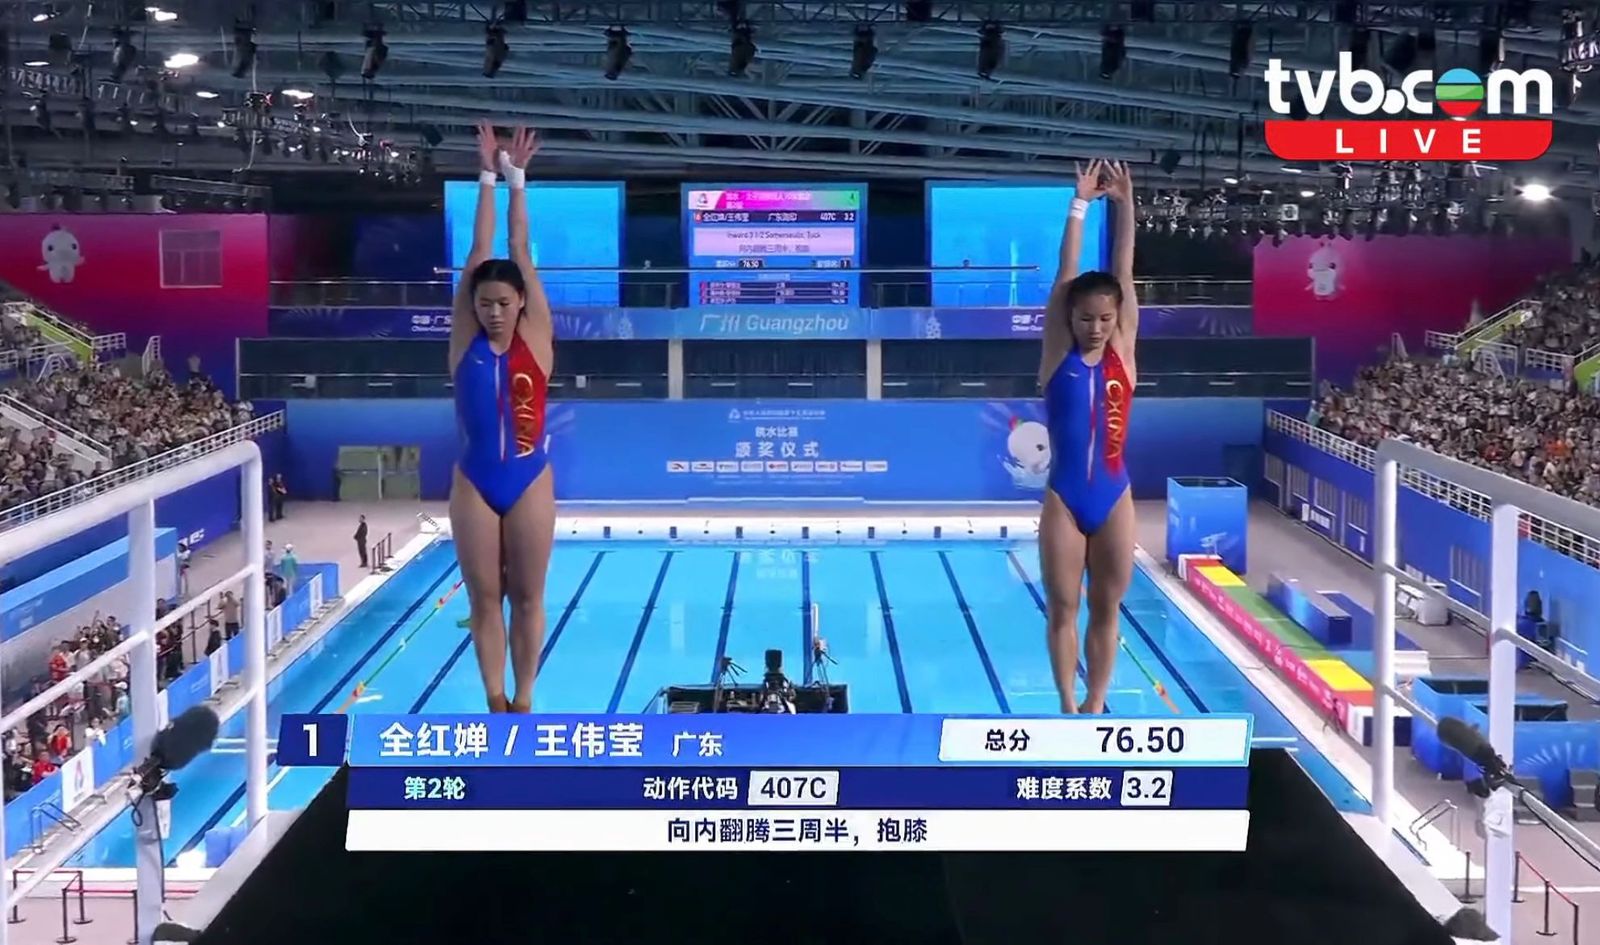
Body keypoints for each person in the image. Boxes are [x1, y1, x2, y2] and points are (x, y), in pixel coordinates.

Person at [449, 120, 556, 714]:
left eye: (503, 302)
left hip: (529, 477)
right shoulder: (463, 340)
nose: (493, 311)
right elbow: (477, 256)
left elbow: (518, 251)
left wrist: (517, 183)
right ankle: (495, 702)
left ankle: (526, 699)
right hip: (474, 481)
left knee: (529, 597)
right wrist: (485, 178)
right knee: (485, 599)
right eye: (485, 303)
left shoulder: (535, 338)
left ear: (520, 304)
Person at [1037, 158, 1140, 714]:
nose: (1095, 327)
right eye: (1084, 318)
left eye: (1104, 319)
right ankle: (1066, 705)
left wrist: (1125, 205)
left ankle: (1096, 704)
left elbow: (1124, 272)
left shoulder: (1123, 351)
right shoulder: (1059, 355)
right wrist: (1079, 205)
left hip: (1115, 496)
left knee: (1107, 608)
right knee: (1063, 609)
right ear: (1070, 319)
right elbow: (1065, 277)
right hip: (1065, 499)